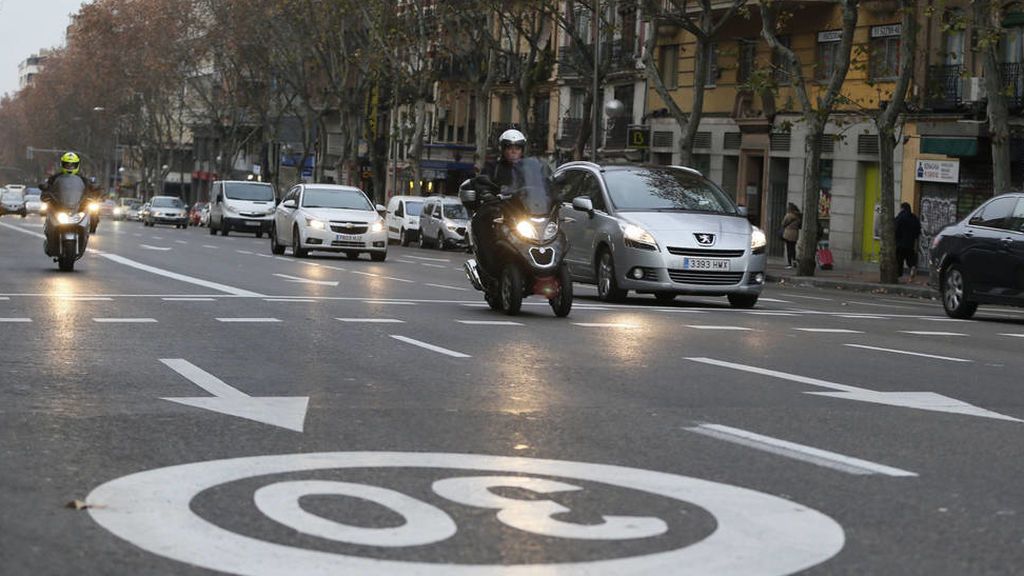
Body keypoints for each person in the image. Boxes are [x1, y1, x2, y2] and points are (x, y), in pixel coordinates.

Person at [470, 129, 528, 274]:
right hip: (500, 210)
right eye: (509, 148)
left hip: (525, 211)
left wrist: (553, 193)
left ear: (522, 150)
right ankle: (487, 263)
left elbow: (544, 183)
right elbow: (481, 181)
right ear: (503, 149)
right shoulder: (493, 167)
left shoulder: (529, 169)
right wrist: (486, 193)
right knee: (481, 221)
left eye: (517, 148)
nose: (513, 151)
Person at [40, 152, 99, 255]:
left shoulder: (82, 179)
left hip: (77, 206)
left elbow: (91, 188)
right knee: (48, 211)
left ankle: (90, 229)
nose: (69, 167)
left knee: (94, 212)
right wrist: (45, 194)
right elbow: (47, 187)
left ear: (77, 165)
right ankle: (49, 233)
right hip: (59, 206)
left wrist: (94, 194)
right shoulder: (55, 178)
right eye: (67, 164)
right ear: (62, 164)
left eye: (72, 165)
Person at [894, 201, 922, 281]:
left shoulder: (900, 217)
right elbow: (918, 230)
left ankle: (898, 275)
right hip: (910, 243)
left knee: (899, 260)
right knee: (910, 258)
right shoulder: (914, 218)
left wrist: (896, 238)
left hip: (900, 243)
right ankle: (912, 267)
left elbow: (896, 228)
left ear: (902, 208)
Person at [781, 202, 801, 269]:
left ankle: (789, 263)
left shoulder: (788, 215)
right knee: (793, 248)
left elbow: (783, 223)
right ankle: (794, 261)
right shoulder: (798, 216)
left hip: (788, 233)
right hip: (795, 233)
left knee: (789, 248)